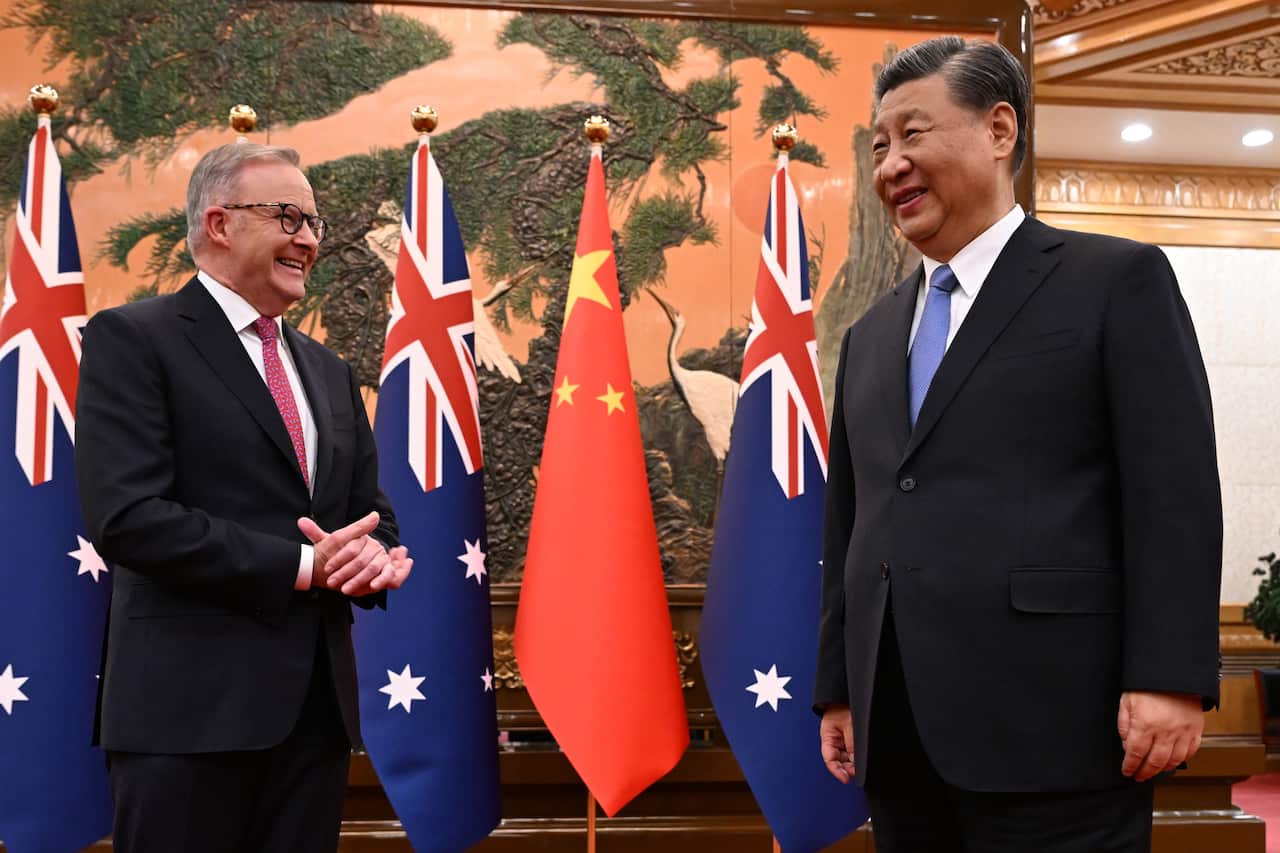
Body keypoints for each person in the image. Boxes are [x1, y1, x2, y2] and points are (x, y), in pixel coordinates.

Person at [814, 36, 1222, 852]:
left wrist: (1169, 676)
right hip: (897, 735)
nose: (891, 163)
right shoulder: (867, 335)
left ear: (1000, 130)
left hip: (1057, 729)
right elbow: (852, 520)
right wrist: (839, 687)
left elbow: (1172, 492)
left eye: (913, 134)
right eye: (878, 146)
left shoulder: (1115, 282)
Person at [75, 142, 413, 853]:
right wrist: (303, 565)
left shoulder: (327, 369)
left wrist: (374, 559)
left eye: (317, 222)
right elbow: (128, 517)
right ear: (220, 224)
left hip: (312, 721)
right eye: (289, 216)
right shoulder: (135, 338)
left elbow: (369, 514)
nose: (309, 239)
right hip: (186, 722)